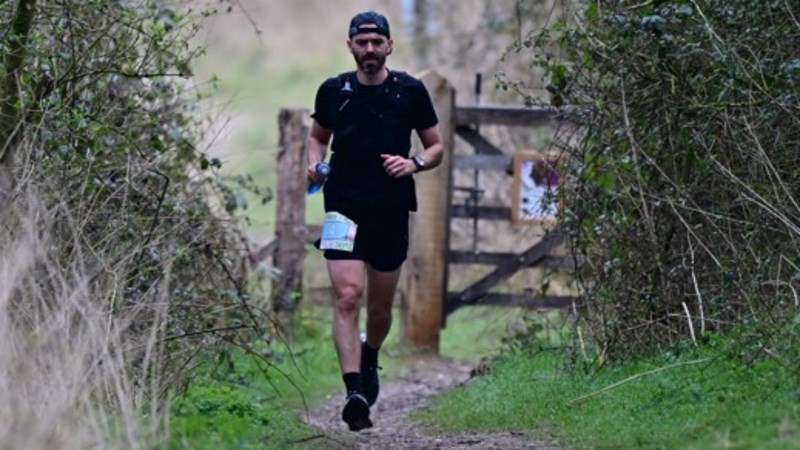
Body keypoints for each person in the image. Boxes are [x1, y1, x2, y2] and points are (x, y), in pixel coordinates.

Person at [306, 10, 444, 432]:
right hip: (342, 207)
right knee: (348, 297)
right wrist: (315, 165)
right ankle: (354, 394)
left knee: (380, 310)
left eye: (376, 42)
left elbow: (436, 147)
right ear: (350, 45)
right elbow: (317, 138)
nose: (369, 49)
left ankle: (370, 354)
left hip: (389, 209)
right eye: (362, 42)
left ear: (389, 46)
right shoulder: (334, 91)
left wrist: (414, 163)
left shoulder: (409, 91)